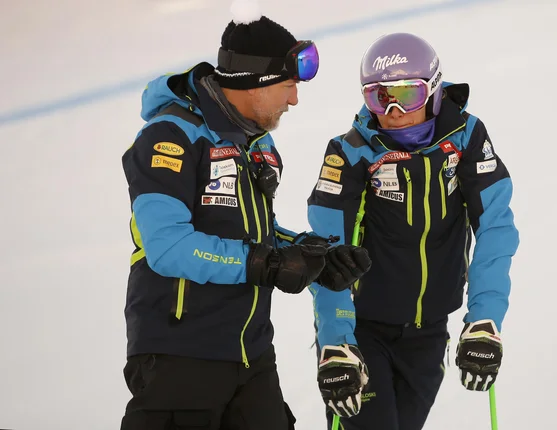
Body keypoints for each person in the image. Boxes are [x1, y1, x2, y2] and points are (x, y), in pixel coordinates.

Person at [119, 3, 372, 429]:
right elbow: (167, 246)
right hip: (181, 356)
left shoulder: (255, 145)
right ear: (255, 82)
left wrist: (313, 256)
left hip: (250, 357)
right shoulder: (172, 137)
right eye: (288, 85)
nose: (294, 98)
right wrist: (266, 264)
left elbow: (253, 233)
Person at [306, 32, 520, 430]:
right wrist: (336, 341)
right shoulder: (351, 152)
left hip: (429, 331)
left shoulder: (467, 137)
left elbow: (495, 226)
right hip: (362, 331)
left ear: (435, 90)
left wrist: (484, 321)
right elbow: (327, 252)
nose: (392, 108)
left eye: (407, 94)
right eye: (377, 96)